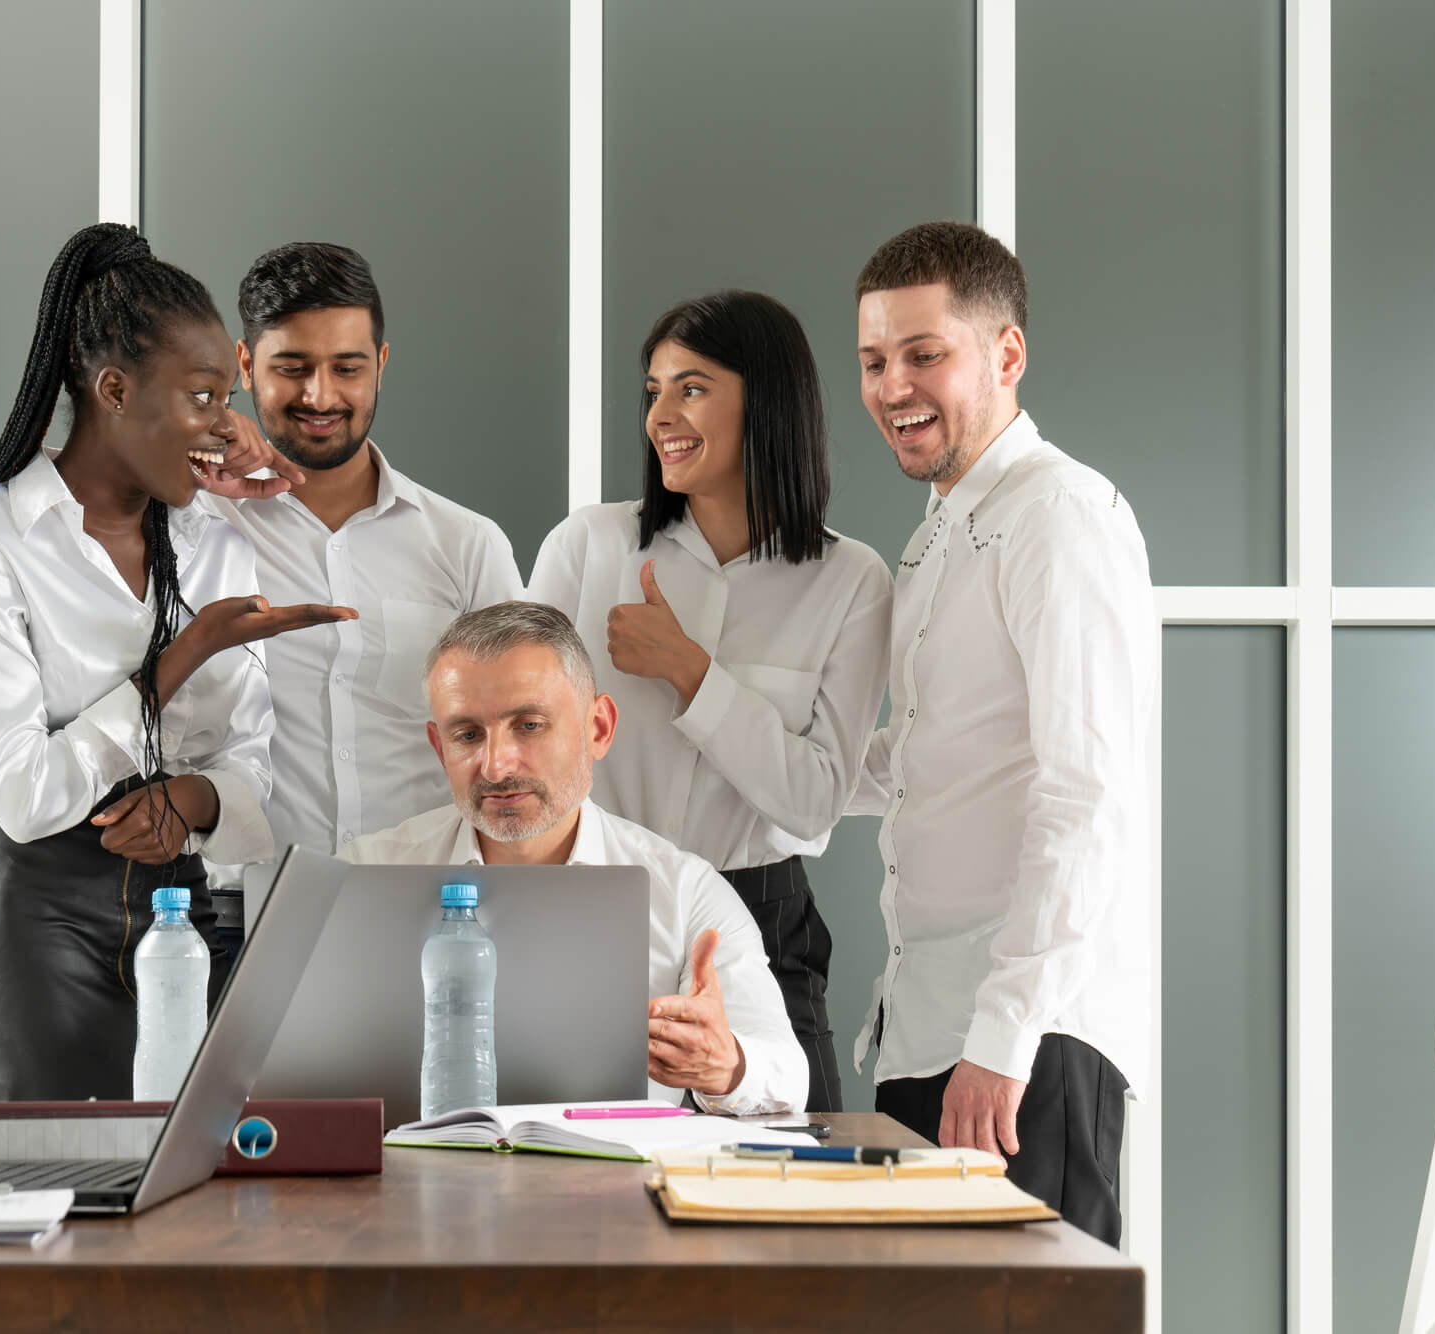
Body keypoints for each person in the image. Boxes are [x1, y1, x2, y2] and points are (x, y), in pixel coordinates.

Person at [0, 223, 354, 1102]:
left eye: (226, 397)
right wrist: (178, 659)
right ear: (114, 389)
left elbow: (248, 756)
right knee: (61, 1188)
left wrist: (189, 800)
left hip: (181, 910)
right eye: (201, 396)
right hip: (36, 916)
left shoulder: (211, 540)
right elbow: (27, 796)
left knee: (194, 1191)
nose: (226, 426)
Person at [848, 221, 1156, 1243]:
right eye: (873, 360)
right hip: (929, 1025)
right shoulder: (937, 534)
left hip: (1020, 1040)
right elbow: (927, 761)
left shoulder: (1057, 513)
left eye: (923, 354)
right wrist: (734, 741)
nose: (893, 386)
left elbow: (1085, 791)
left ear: (1005, 353)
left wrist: (1004, 1032)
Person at [526, 291, 892, 1112]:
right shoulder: (588, 547)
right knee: (581, 1179)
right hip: (594, 905)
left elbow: (812, 804)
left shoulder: (853, 582)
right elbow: (520, 741)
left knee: (801, 1181)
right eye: (652, 390)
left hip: (764, 914)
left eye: (691, 387)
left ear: (767, 400)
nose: (661, 414)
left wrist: (692, 673)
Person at [345, 601, 806, 1114]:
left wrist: (726, 1065)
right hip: (414, 1183)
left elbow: (789, 1074)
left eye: (530, 725)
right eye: (468, 735)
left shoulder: (684, 891)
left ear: (599, 729)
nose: (496, 767)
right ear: (439, 747)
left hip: (618, 1187)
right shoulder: (360, 877)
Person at [202, 242, 522, 871]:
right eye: (292, 367)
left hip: (430, 906)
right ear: (244, 363)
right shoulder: (194, 521)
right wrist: (195, 440)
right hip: (236, 909)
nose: (321, 397)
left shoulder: (466, 544)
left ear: (381, 363)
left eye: (347, 368)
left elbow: (517, 738)